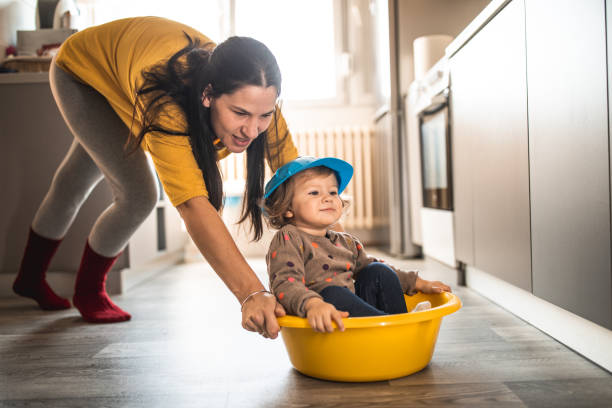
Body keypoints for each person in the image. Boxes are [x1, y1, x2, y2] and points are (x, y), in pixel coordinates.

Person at [12, 16, 297, 338]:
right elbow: (192, 204)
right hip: (83, 75)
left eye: (264, 116)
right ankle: (87, 290)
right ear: (207, 95)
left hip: (126, 73)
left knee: (72, 181)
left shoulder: (254, 95)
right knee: (138, 195)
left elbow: (302, 183)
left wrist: (339, 253)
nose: (252, 129)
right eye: (240, 114)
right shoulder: (167, 104)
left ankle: (29, 278)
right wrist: (252, 293)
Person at [263, 157, 452, 333]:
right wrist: (312, 304)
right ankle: (394, 330)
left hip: (354, 316)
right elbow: (285, 284)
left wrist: (420, 283)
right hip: (321, 317)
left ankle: (398, 320)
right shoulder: (289, 238)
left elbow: (371, 267)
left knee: (378, 270)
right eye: (314, 192)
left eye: (333, 192)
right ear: (287, 208)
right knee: (333, 294)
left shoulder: (346, 242)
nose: (328, 198)